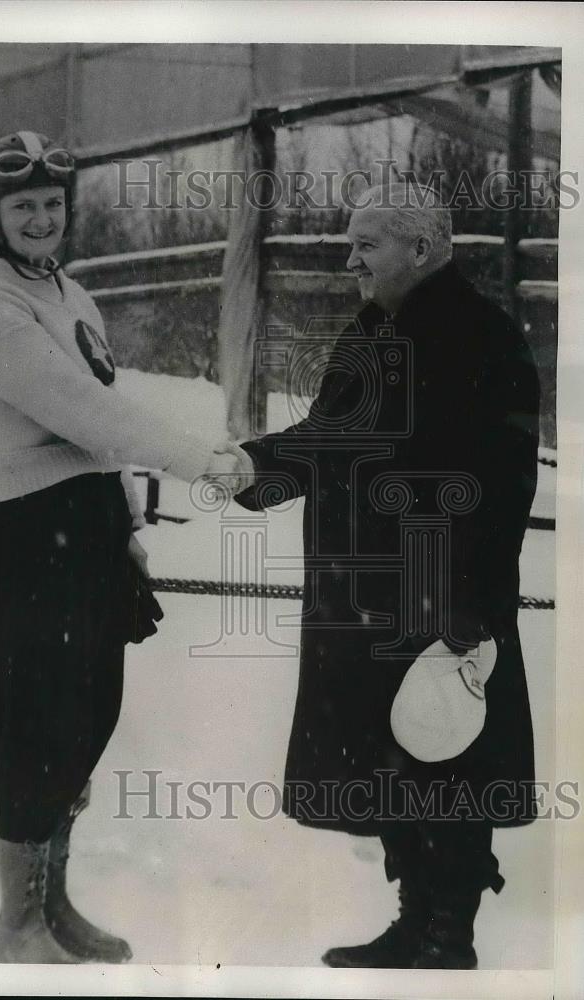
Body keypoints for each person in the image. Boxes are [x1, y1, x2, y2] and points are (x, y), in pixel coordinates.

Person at [0, 130, 241, 964]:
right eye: (22, 206)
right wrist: (204, 460)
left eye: (51, 205)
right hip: (27, 532)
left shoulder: (65, 291)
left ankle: (53, 908)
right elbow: (86, 413)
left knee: (85, 722)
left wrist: (125, 532)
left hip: (82, 528)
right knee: (37, 728)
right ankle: (15, 927)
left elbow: (96, 424)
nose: (40, 218)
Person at [222, 181, 540, 969]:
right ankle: (415, 923)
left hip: (440, 600)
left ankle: (448, 937)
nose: (351, 258)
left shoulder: (483, 339)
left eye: (367, 243)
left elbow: (501, 487)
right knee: (396, 763)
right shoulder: (375, 332)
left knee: (448, 760)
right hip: (370, 598)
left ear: (424, 249)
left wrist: (465, 609)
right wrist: (248, 470)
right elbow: (328, 441)